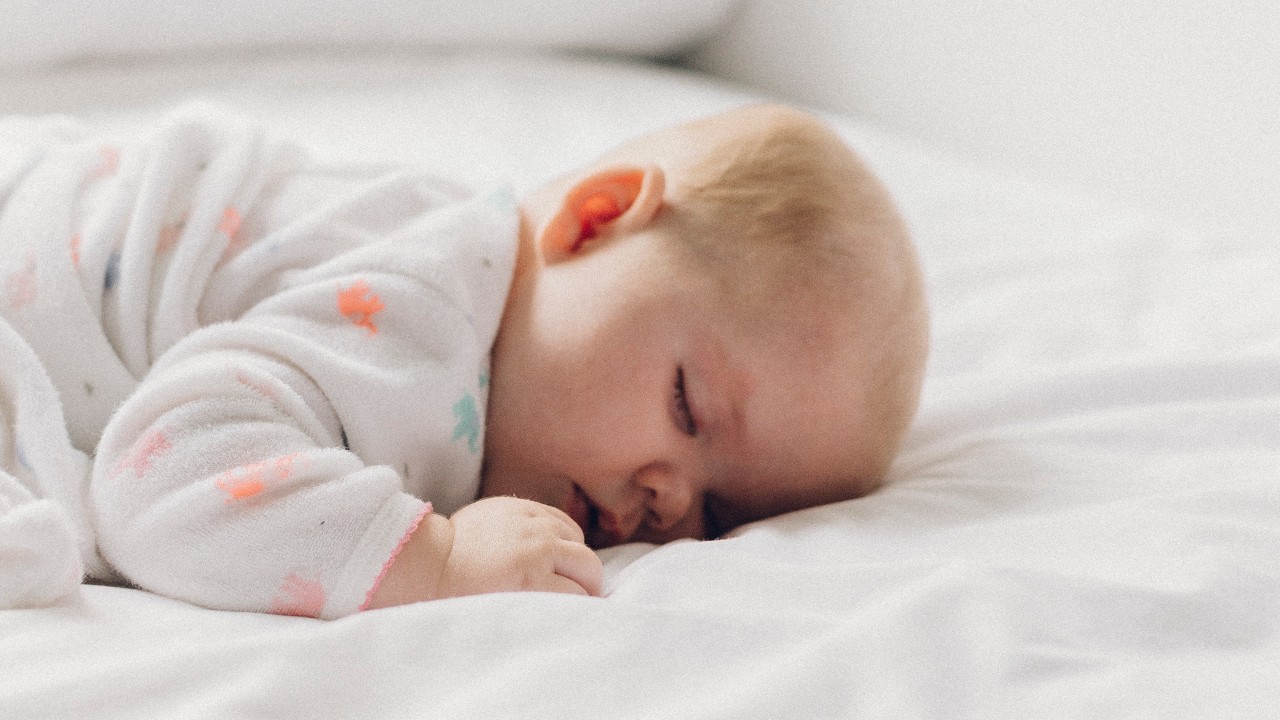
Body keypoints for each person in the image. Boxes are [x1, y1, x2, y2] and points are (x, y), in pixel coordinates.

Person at [0, 103, 928, 618]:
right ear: (595, 221)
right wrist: (431, 559)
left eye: (722, 509)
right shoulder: (424, 324)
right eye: (688, 407)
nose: (670, 500)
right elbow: (156, 482)